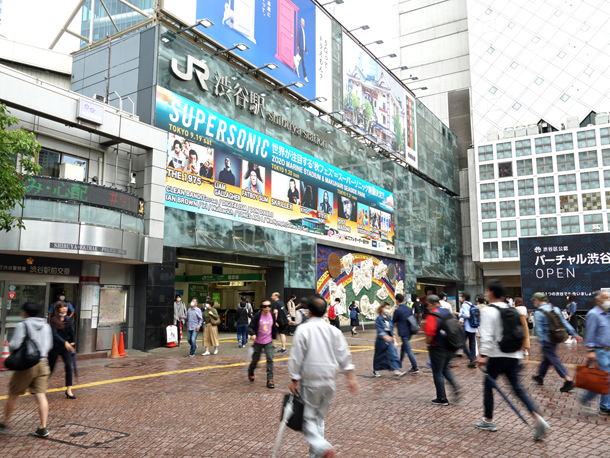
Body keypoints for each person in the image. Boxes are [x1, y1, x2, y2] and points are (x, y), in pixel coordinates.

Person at [476, 280, 551, 440]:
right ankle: (538, 419)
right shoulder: (512, 309)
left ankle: (488, 420)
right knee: (517, 389)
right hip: (514, 355)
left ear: (490, 292)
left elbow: (487, 336)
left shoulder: (489, 311)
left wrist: (483, 356)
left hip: (497, 355)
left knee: (488, 385)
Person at [288, 295, 359, 458]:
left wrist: (294, 378)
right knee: (318, 419)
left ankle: (322, 447)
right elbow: (344, 354)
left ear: (309, 312)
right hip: (329, 381)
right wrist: (351, 376)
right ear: (325, 311)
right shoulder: (334, 331)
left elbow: (296, 357)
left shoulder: (303, 329)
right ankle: (316, 455)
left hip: (311, 380)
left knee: (307, 420)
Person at [0, 301, 53, 437]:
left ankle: (4, 423)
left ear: (25, 312)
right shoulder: (46, 326)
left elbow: (15, 344)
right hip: (43, 363)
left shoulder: (23, 325)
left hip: (27, 365)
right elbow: (48, 346)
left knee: (13, 393)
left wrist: (11, 345)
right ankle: (43, 427)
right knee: (41, 395)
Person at [532, 292, 581, 391]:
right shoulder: (556, 309)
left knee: (553, 359)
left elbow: (539, 330)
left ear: (537, 300)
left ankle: (568, 380)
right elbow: (564, 323)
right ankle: (540, 377)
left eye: (534, 300)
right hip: (555, 337)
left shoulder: (538, 312)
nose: (534, 302)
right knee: (547, 358)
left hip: (546, 340)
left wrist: (541, 343)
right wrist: (574, 333)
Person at [424, 294, 460, 405]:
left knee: (437, 372)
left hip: (438, 347)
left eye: (427, 305)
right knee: (444, 368)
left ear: (430, 304)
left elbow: (430, 334)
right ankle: (455, 387)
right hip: (450, 345)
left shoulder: (432, 315)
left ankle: (442, 398)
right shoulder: (447, 312)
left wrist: (428, 343)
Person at [579, 290, 610, 415]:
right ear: (598, 300)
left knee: (605, 379)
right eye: (606, 298)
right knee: (605, 378)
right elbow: (590, 334)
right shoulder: (593, 314)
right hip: (600, 351)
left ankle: (591, 400)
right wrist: (590, 351)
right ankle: (604, 406)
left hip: (608, 350)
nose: (609, 300)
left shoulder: (606, 314)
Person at [49, 302, 76, 399]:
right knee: (50, 368)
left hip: (66, 348)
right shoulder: (53, 320)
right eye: (62, 307)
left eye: (65, 306)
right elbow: (54, 334)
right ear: (57, 309)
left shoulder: (68, 319)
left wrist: (73, 342)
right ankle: (40, 387)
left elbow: (72, 332)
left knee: (68, 367)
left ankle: (69, 390)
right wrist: (65, 342)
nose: (65, 308)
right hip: (55, 347)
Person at [247, 300, 276, 389]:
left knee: (270, 358)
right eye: (264, 306)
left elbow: (274, 327)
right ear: (261, 307)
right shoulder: (257, 316)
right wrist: (253, 334)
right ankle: (251, 371)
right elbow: (250, 327)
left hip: (268, 341)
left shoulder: (272, 315)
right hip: (258, 341)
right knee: (255, 360)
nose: (267, 308)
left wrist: (274, 338)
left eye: (269, 306)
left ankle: (270, 380)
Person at [373, 302, 405, 378]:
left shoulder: (389, 317)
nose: (387, 310)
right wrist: (385, 336)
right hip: (381, 340)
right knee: (379, 356)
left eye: (388, 308)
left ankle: (396, 371)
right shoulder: (378, 319)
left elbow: (391, 328)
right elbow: (379, 329)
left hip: (389, 338)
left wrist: (393, 336)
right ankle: (376, 369)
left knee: (392, 353)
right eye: (386, 308)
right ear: (382, 308)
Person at [392, 293, 419, 374]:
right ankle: (399, 364)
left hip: (403, 333)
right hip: (410, 332)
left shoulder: (398, 310)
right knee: (403, 349)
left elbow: (393, 321)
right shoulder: (408, 309)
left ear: (397, 301)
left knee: (408, 350)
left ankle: (415, 367)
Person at [457, 291, 477, 368]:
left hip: (467, 327)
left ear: (464, 297)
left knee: (461, 342)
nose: (461, 298)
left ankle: (470, 357)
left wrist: (458, 314)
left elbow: (466, 315)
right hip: (473, 327)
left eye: (461, 296)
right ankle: (473, 359)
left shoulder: (465, 304)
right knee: (472, 344)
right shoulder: (471, 304)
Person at [296, 17, 308, 83]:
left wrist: (306, 49)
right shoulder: (300, 29)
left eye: (304, 22)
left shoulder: (303, 30)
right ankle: (305, 76)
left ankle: (295, 68)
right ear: (301, 23)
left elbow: (304, 41)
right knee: (302, 62)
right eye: (303, 22)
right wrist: (297, 45)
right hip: (300, 47)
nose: (304, 23)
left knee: (299, 60)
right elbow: (298, 37)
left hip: (302, 48)